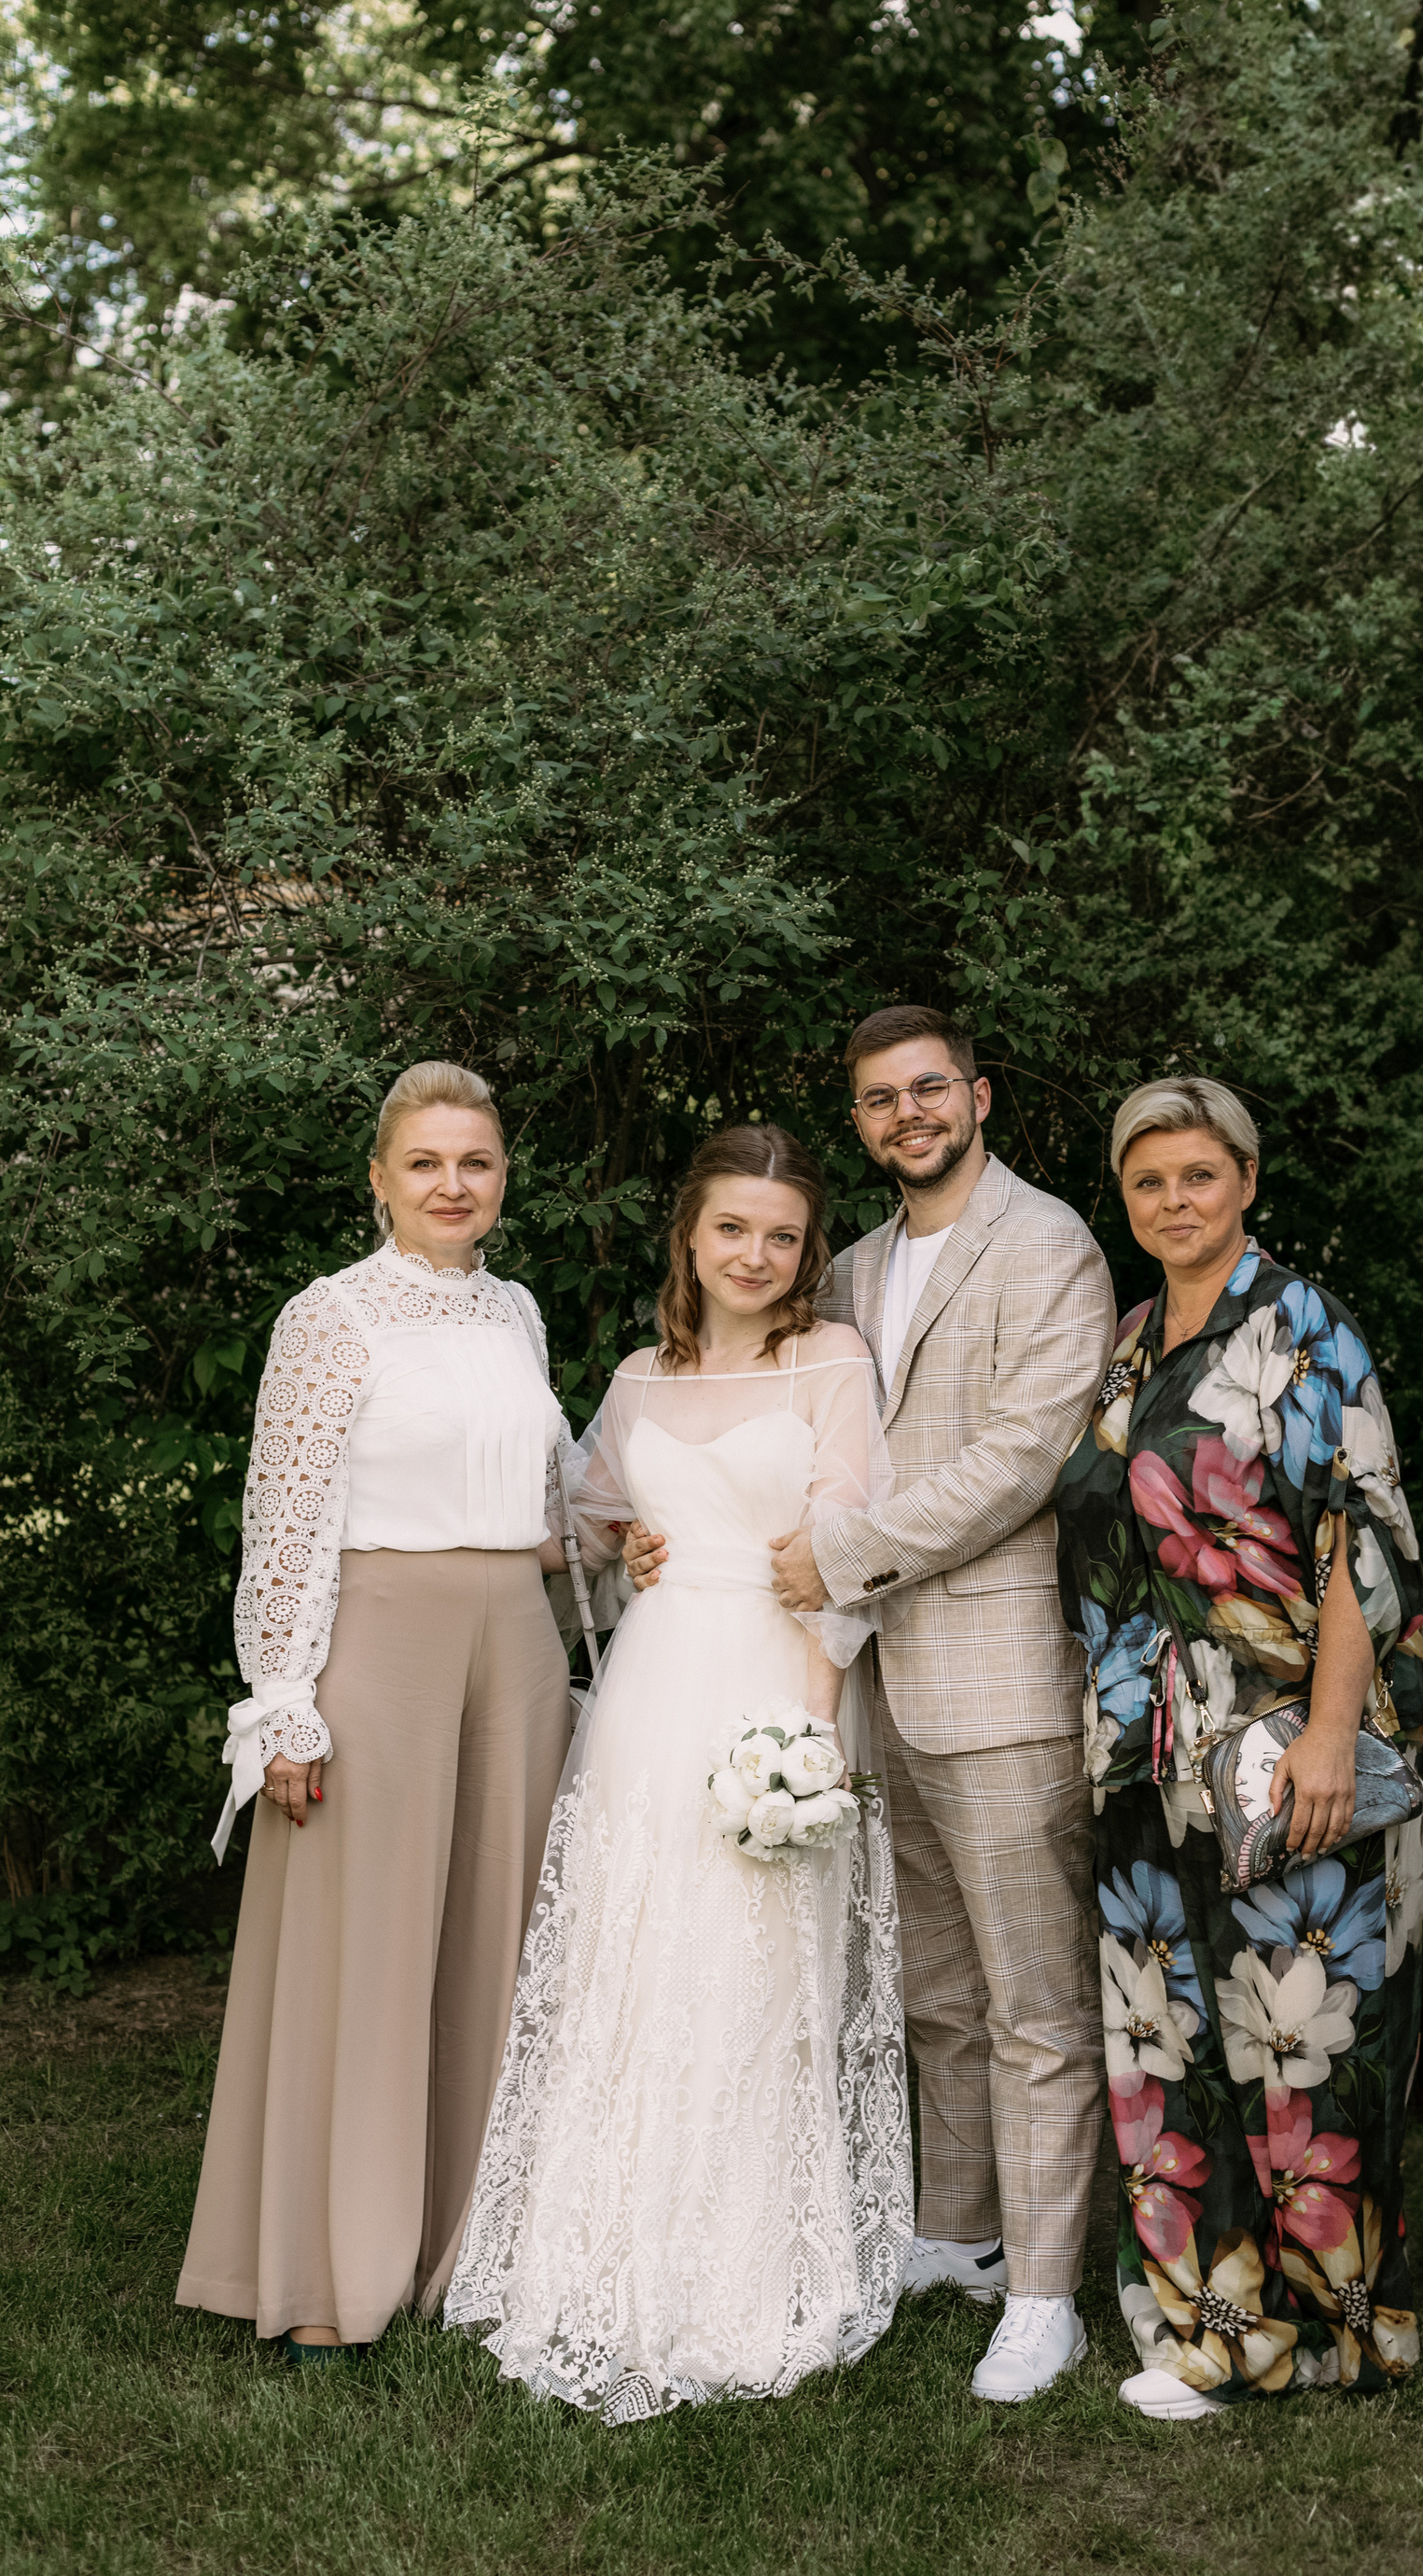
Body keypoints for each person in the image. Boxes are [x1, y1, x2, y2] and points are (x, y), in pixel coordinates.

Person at [629, 1009, 1117, 2403]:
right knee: (937, 1991)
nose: (909, 1114)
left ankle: (1044, 2294)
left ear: (979, 1094)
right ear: (859, 1121)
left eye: (928, 1089)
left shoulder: (1050, 1247)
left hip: (997, 1673)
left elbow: (1023, 1457)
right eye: (880, 1098)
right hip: (866, 1678)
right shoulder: (844, 1270)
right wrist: (659, 1533)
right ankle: (958, 2234)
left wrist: (844, 1556)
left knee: (1035, 2002)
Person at [445, 1125, 911, 2423]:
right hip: (648, 1696)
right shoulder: (640, 1379)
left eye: (781, 1236)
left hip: (769, 1685)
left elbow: (844, 1557)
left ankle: (742, 2270)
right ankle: (594, 2252)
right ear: (690, 1238)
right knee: (632, 1956)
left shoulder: (833, 1361)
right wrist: (617, 1537)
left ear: (806, 1251)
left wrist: (810, 1739)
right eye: (732, 1229)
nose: (755, 1255)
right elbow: (582, 1523)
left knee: (754, 1966)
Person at [177, 1060, 574, 2359]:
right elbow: (285, 1524)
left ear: (503, 1178)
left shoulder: (517, 1312)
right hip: (382, 1644)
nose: (453, 1185)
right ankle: (326, 2273)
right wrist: (284, 1702)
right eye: (426, 1164)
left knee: (495, 1943)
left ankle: (466, 2250)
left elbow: (546, 1499)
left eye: (476, 1162)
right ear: (380, 1180)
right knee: (366, 1951)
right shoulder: (330, 1316)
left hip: (517, 1645)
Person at [1053, 1075, 1423, 2419]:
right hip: (1145, 1752)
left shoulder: (1304, 1328)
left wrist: (1330, 1735)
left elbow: (1361, 1540)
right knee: (1162, 2034)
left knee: (1299, 2030)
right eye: (1149, 1181)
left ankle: (1331, 2331)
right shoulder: (1132, 1340)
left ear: (1249, 1182)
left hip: (1281, 1746)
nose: (1175, 1202)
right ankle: (1212, 2329)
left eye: (1200, 1176)